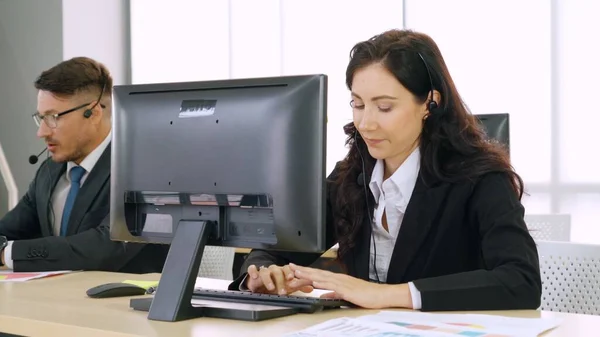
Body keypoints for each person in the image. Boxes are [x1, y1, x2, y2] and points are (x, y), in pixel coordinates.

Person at [229, 29, 542, 311]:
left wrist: (384, 295)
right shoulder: (350, 177)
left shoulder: (481, 179)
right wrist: (261, 277)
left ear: (429, 104)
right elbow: (276, 248)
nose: (366, 123)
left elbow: (521, 281)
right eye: (358, 104)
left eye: (385, 107)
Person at [0, 57, 169, 272]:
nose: (41, 132)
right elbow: (9, 230)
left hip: (122, 302)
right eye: (40, 118)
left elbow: (104, 247)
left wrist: (9, 253)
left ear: (94, 113)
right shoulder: (49, 171)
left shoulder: (144, 170)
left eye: (53, 117)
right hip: (58, 300)